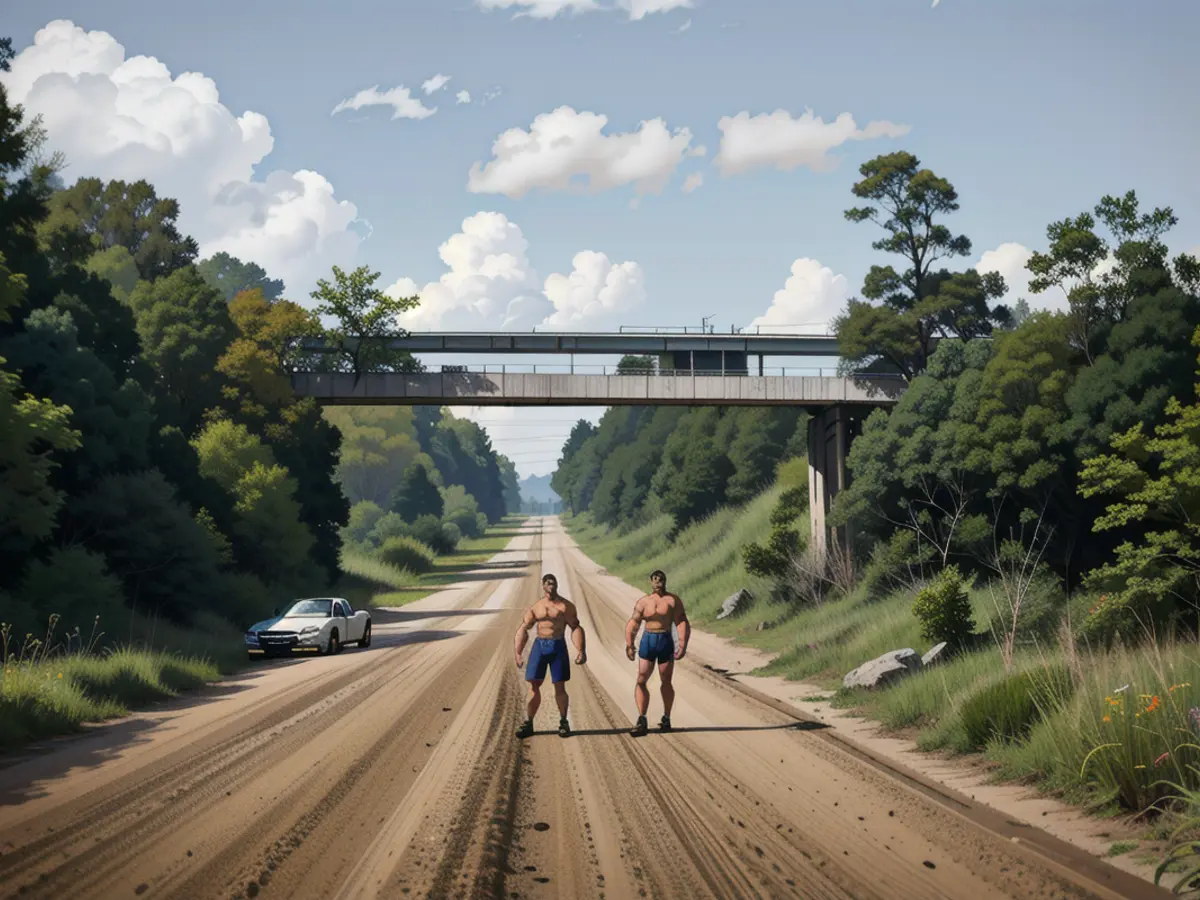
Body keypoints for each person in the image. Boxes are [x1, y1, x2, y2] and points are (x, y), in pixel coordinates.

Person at [514, 573, 586, 739]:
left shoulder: (565, 606)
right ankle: (529, 723)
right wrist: (518, 652)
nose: (551, 586)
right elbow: (524, 628)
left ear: (557, 585)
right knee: (533, 685)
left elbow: (575, 627)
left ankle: (563, 721)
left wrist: (581, 649)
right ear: (543, 586)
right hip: (540, 645)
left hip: (557, 645)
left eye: (553, 583)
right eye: (548, 583)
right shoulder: (536, 607)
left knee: (559, 686)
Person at [624, 569, 689, 737]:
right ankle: (642, 718)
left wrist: (682, 644)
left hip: (665, 641)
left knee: (666, 680)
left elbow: (681, 621)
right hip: (648, 641)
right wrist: (629, 644)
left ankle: (666, 717)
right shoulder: (644, 602)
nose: (658, 581)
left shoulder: (672, 601)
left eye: (660, 578)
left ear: (665, 581)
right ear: (651, 582)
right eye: (655, 579)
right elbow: (634, 622)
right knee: (641, 679)